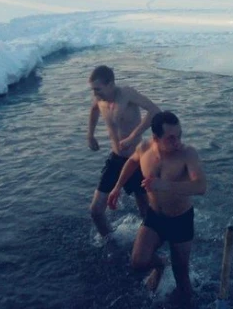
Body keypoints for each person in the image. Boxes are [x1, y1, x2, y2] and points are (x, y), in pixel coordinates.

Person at [107, 111, 206, 305]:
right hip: (155, 217)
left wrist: (166, 185)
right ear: (155, 138)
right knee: (138, 262)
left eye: (179, 135)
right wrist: (117, 187)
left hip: (181, 220)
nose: (177, 141)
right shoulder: (144, 148)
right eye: (170, 138)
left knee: (182, 280)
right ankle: (161, 265)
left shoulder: (187, 154)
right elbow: (132, 162)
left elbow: (201, 186)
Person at [87, 65, 161, 237]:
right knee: (96, 210)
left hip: (137, 160)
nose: (95, 93)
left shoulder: (126, 94)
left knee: (145, 209)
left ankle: (148, 245)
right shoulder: (99, 97)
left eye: (98, 89)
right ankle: (110, 241)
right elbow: (93, 109)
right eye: (93, 90)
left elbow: (155, 111)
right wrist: (90, 135)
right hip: (115, 159)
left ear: (111, 83)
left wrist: (133, 135)